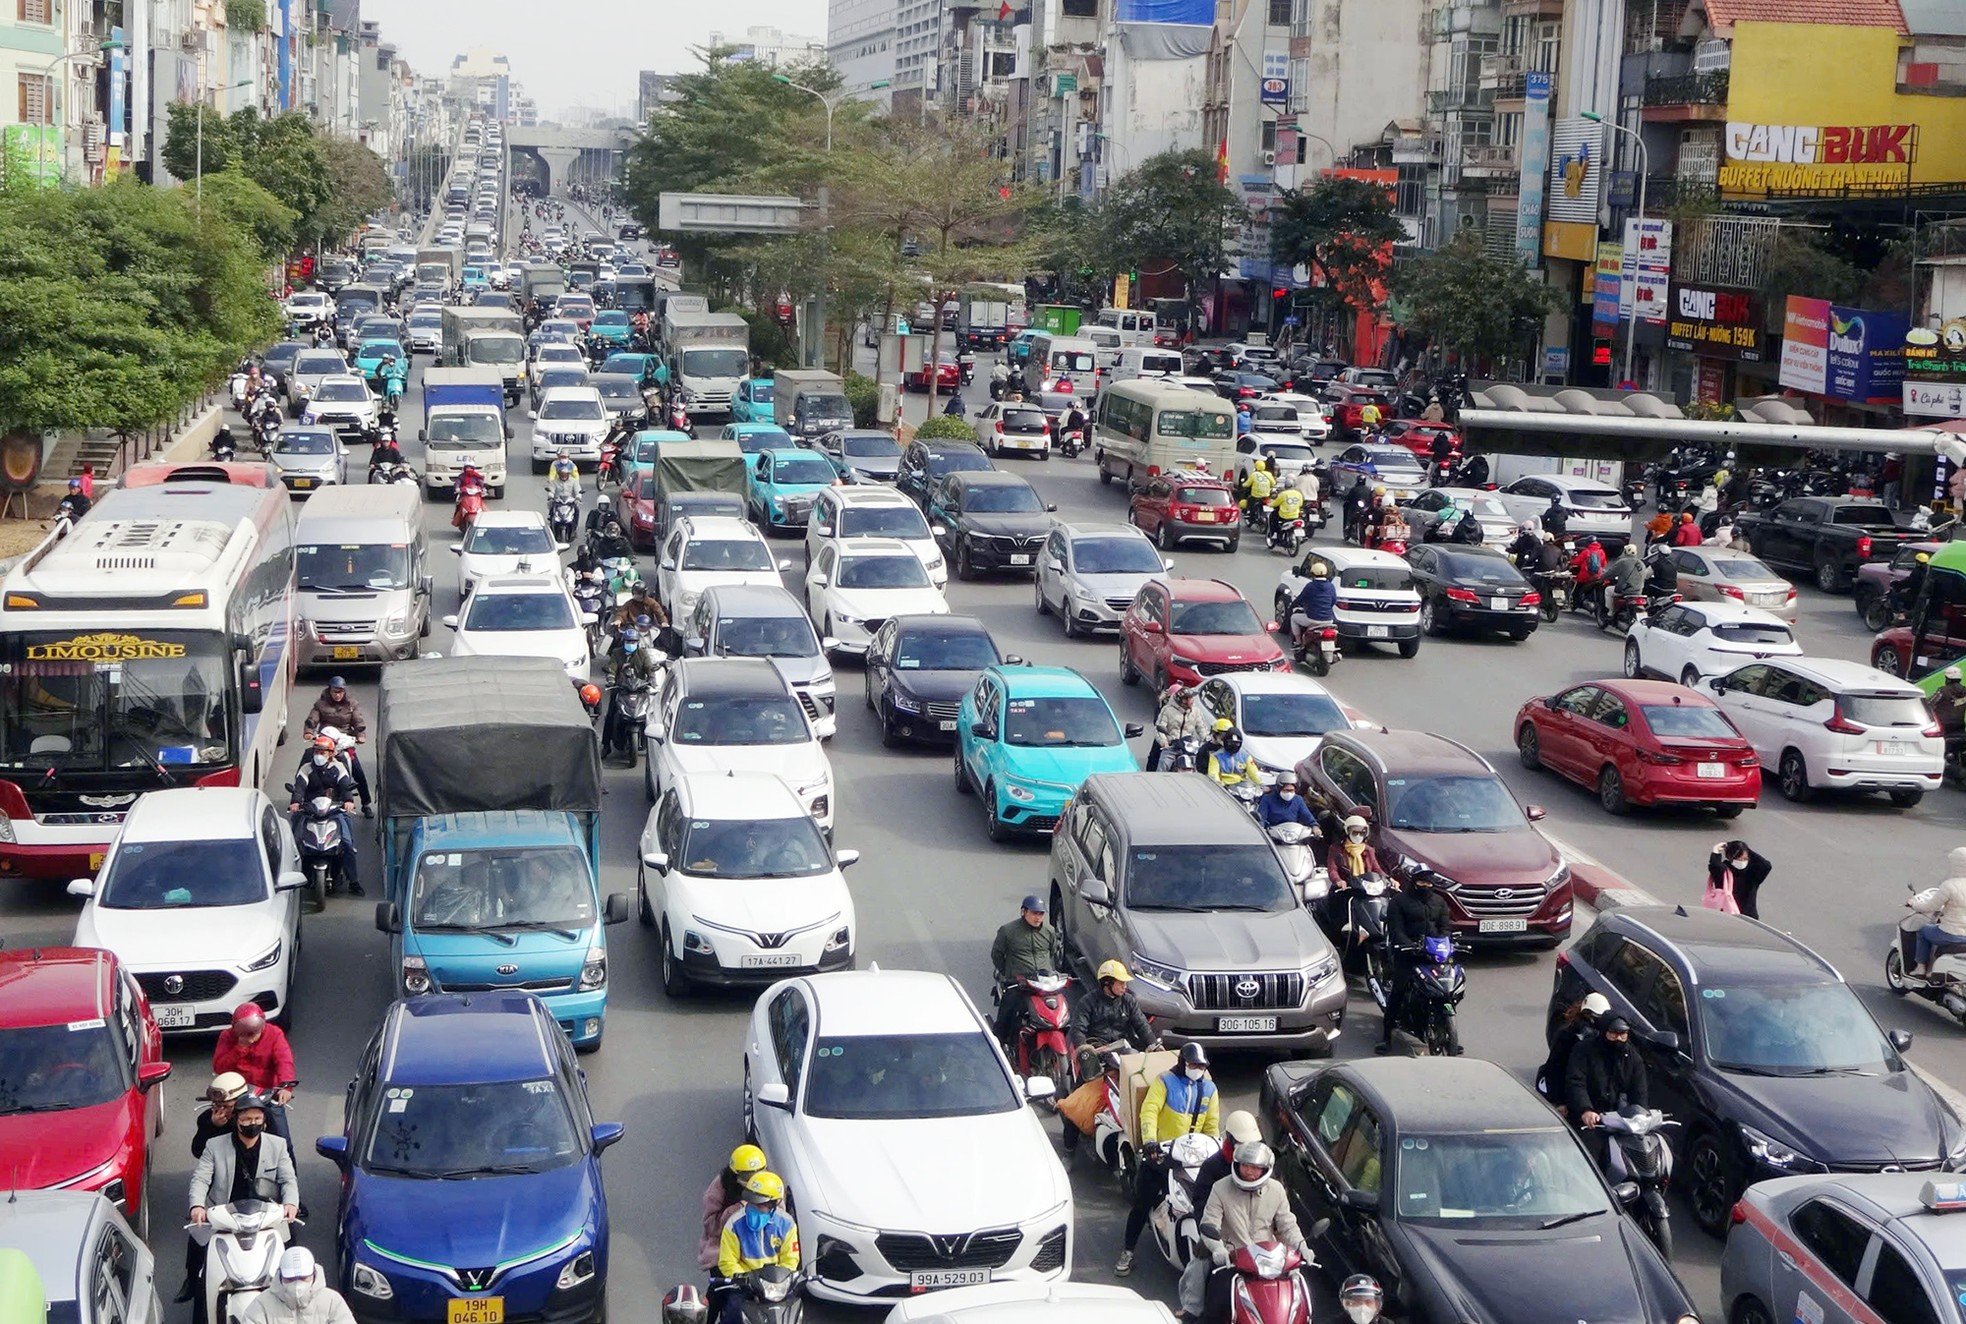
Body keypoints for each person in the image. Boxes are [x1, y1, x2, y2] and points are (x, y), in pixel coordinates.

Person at [1116, 1043, 1219, 1275]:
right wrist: (1150, 1141)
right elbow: (1149, 1112)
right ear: (1183, 1063)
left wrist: (1213, 1146)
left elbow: (1212, 1125)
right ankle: (1128, 1251)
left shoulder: (1210, 1089)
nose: (1197, 1069)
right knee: (1141, 1203)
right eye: (1193, 1065)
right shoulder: (1163, 1082)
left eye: (1201, 1066)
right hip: (1161, 1155)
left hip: (1192, 1158)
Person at [1197, 1140, 1308, 1324]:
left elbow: (1287, 1224)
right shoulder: (1220, 1188)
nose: (1249, 1171)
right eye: (1245, 1166)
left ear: (1265, 1169)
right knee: (1215, 1308)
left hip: (1270, 1260)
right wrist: (1218, 1249)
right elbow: (1210, 1224)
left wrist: (1302, 1246)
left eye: (1255, 1168)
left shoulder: (1277, 1190)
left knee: (1300, 1298)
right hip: (1232, 1260)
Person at [1172, 1110, 1262, 1319]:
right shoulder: (1213, 1167)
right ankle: (1191, 1308)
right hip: (1221, 1233)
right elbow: (1201, 1205)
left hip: (1255, 1234)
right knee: (1201, 1262)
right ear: (1229, 1140)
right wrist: (1215, 1239)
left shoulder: (1261, 1164)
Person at [186, 1092, 299, 1245]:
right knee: (198, 1254)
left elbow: (288, 1180)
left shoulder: (278, 1145)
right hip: (223, 1217)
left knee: (288, 1252)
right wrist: (197, 1206)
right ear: (236, 1121)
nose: (253, 1123)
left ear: (264, 1121)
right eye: (246, 1119)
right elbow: (201, 1178)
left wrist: (290, 1204)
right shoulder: (214, 1145)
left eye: (257, 1119)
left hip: (265, 1217)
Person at [178, 1073, 251, 1299]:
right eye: (217, 1105)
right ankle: (192, 1279)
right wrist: (213, 1126)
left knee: (285, 1235)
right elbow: (198, 1150)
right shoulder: (208, 1120)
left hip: (254, 1189)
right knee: (199, 1232)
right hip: (221, 1185)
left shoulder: (257, 1120)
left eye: (226, 1105)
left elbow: (279, 1158)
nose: (220, 1109)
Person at [1379, 869, 1457, 1055]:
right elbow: (1396, 930)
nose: (1425, 887)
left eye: (1428, 884)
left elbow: (1445, 927)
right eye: (1421, 883)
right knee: (1398, 990)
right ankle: (1386, 1037)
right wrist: (1410, 945)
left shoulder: (1439, 902)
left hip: (1434, 955)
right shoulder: (1399, 902)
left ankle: (1446, 1029)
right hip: (1408, 954)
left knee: (1449, 988)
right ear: (1414, 882)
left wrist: (1441, 944)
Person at [713, 1171, 798, 1324]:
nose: (752, 1207)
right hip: (746, 1286)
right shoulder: (734, 1225)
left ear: (774, 1204)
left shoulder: (787, 1224)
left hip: (777, 1286)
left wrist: (783, 1278)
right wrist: (744, 1278)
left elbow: (791, 1259)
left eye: (760, 1204)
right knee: (733, 1312)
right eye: (751, 1202)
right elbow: (727, 1262)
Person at [1565, 1014, 1647, 1166]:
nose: (1618, 1038)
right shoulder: (1584, 1050)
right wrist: (1586, 1110)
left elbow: (1639, 1092)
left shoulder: (1633, 1059)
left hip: (1620, 1121)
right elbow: (1576, 1082)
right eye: (1613, 1034)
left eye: (1623, 1034)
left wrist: (1641, 1116)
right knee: (1590, 1156)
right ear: (1604, 1032)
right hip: (1592, 1121)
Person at [213, 1005, 300, 1144]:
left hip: (268, 1093)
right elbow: (219, 1067)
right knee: (217, 1132)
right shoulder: (226, 1037)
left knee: (283, 1140)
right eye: (245, 1034)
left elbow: (284, 1061)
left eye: (254, 1034)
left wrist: (286, 1086)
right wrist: (239, 1049)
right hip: (237, 1095)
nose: (251, 1040)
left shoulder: (274, 1034)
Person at [289, 735, 361, 894]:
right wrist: (295, 802)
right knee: (294, 842)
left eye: (323, 752)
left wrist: (348, 801)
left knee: (347, 844)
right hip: (309, 811)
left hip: (334, 811)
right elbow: (300, 787)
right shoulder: (306, 769)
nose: (319, 755)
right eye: (316, 751)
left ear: (331, 753)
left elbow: (345, 787)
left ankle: (354, 881)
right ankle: (292, 877)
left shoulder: (339, 768)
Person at [991, 894, 1066, 1045]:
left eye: (1041, 913)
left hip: (1044, 983)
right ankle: (999, 1046)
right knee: (1007, 1012)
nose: (1037, 917)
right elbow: (997, 955)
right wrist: (1008, 974)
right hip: (1019, 983)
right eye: (1034, 913)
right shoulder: (1008, 931)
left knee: (1060, 1011)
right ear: (1023, 912)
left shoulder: (1049, 932)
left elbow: (1052, 952)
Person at [301, 679, 371, 815]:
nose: (337, 695)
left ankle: (366, 803)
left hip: (343, 742)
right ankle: (300, 799)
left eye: (340, 692)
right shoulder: (320, 704)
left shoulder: (352, 704)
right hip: (324, 742)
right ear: (329, 690)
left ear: (344, 692)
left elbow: (358, 722)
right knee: (307, 760)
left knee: (358, 773)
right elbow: (311, 720)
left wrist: (360, 735)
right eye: (335, 692)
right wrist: (308, 732)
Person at [238, 1249, 358, 1324]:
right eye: (290, 1279)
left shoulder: (332, 1301)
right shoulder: (261, 1305)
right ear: (280, 1275)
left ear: (314, 1273)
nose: (297, 1285)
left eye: (303, 1278)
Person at [1536, 992, 1609, 1114]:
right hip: (1562, 1095)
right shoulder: (1567, 1037)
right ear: (1588, 1015)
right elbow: (1555, 1069)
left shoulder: (1600, 1039)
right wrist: (1560, 1102)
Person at [699, 1144, 768, 1271]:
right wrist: (738, 1210)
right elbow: (711, 1227)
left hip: (763, 1251)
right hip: (725, 1250)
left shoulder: (771, 1186)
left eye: (758, 1174)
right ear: (735, 1175)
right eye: (748, 1176)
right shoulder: (720, 1188)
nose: (754, 1181)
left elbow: (783, 1224)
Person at [1069, 960, 1154, 1064]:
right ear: (1107, 983)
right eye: (1121, 983)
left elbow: (1142, 1025)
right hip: (1098, 1052)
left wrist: (1152, 1044)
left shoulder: (1129, 1001)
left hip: (1126, 1050)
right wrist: (1084, 1048)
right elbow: (1078, 1029)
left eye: (1125, 983)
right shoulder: (1087, 1002)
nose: (1125, 987)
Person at [600, 626, 659, 762]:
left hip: (639, 690)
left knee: (651, 715)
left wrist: (652, 680)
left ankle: (653, 745)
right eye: (628, 641)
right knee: (610, 715)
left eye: (633, 642)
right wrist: (611, 679)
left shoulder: (643, 654)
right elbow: (611, 668)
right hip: (621, 689)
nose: (630, 644)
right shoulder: (616, 653)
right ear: (624, 641)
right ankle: (606, 745)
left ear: (637, 643)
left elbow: (650, 669)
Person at [1907, 847, 1966, 978]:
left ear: (1955, 865)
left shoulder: (1949, 885)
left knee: (1923, 931)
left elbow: (1930, 906)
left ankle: (1920, 967)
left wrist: (1913, 904)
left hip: (1950, 934)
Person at [1149, 684, 1210, 771]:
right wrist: (1164, 741)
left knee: (1200, 766)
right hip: (1172, 746)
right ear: (1183, 700)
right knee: (1163, 764)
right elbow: (1160, 727)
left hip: (1189, 746)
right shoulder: (1167, 710)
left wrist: (1206, 740)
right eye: (1189, 698)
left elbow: (1202, 728)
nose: (1192, 701)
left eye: (1192, 698)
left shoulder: (1196, 711)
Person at [1708, 840, 1772, 921]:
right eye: (1739, 858)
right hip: (1728, 918)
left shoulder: (1752, 874)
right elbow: (1715, 866)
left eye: (1745, 859)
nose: (1742, 862)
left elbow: (1766, 865)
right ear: (1730, 858)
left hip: (1749, 919)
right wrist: (1716, 851)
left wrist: (1745, 848)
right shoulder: (1724, 872)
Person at [1325, 814, 1384, 890]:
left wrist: (1389, 879)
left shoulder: (1369, 850)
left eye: (1362, 833)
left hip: (1366, 888)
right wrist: (1338, 881)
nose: (1358, 836)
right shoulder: (1336, 849)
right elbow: (1332, 869)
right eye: (1355, 833)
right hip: (1345, 888)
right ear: (1347, 832)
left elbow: (1377, 869)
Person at [1289, 560, 1337, 644]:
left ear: (1312, 574)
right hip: (1329, 620)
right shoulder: (1331, 586)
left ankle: (1298, 642)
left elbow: (1300, 599)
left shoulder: (1310, 586)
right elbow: (1333, 601)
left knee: (1293, 618)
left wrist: (1292, 605)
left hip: (1312, 619)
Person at [1200, 719, 1256, 788]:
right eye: (1223, 736)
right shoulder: (1206, 750)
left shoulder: (1236, 751)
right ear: (1215, 735)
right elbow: (1205, 773)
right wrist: (1218, 783)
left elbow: (1252, 771)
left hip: (1239, 787)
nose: (1226, 738)